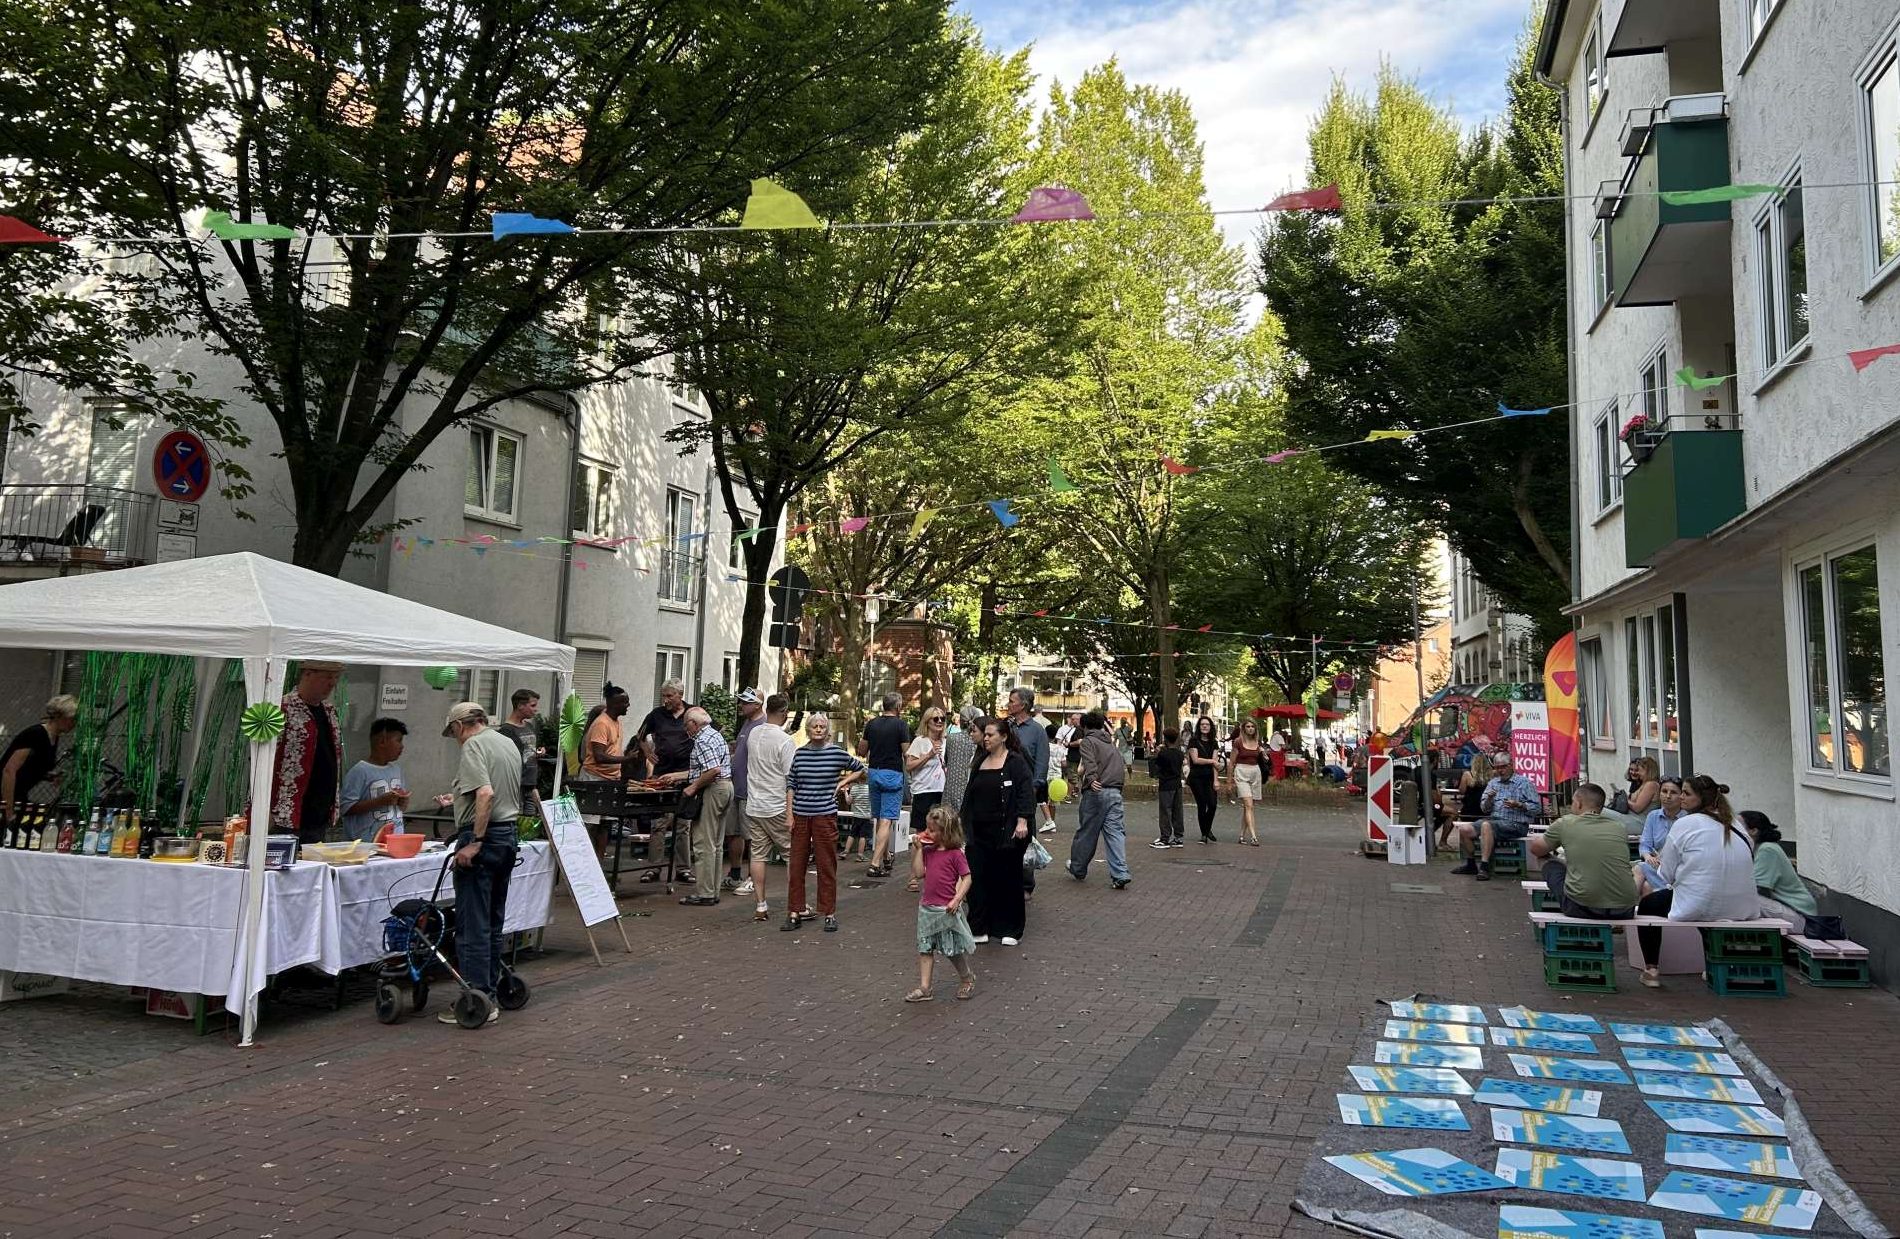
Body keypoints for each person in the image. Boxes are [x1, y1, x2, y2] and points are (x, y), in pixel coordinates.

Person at [438, 701, 522, 1026]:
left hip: (486, 840)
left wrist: (475, 840)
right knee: (492, 919)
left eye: (453, 734)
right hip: (507, 836)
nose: (456, 740)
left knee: (473, 920)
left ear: (460, 727)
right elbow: (497, 791)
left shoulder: (473, 745)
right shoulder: (506, 742)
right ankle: (491, 991)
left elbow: (485, 794)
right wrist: (457, 799)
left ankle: (477, 995)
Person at [1635, 775, 1759, 989]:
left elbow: (1666, 874)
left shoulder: (1685, 824)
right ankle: (1714, 962)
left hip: (1701, 901)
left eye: (1686, 793)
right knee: (1705, 904)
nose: (1681, 797)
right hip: (1743, 905)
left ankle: (1652, 969)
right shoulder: (1736, 825)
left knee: (1649, 905)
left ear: (1701, 799)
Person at [784, 715, 863, 932]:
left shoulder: (836, 753)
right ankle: (794, 911)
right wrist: (789, 814)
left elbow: (859, 768)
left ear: (826, 730)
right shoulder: (799, 754)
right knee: (797, 864)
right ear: (808, 730)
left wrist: (843, 783)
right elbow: (791, 784)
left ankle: (829, 912)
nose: (818, 729)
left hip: (825, 815)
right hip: (801, 815)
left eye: (822, 726)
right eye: (814, 726)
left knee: (826, 864)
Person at [964, 717, 1035, 946]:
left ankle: (1010, 928)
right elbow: (970, 796)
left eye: (991, 735)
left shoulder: (1015, 762)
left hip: (1006, 830)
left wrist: (1022, 821)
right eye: (984, 735)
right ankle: (979, 926)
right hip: (979, 830)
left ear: (1003, 737)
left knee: (1007, 877)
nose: (986, 738)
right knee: (978, 877)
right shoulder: (980, 762)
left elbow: (1025, 792)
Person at [1528, 783, 1636, 919]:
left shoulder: (1566, 823)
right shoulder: (1619, 827)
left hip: (1583, 907)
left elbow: (1536, 850)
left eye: (1572, 802)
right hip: (1625, 909)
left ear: (1578, 804)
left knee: (1545, 860)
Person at [906, 804, 976, 1003]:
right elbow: (919, 873)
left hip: (946, 909)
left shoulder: (955, 855)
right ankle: (925, 987)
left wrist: (957, 899)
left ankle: (966, 978)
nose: (927, 833)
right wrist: (919, 850)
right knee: (925, 948)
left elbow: (967, 878)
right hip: (927, 907)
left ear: (946, 832)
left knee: (952, 949)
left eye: (932, 830)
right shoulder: (929, 851)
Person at [667, 707, 733, 907]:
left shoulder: (702, 740)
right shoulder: (714, 735)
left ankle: (705, 893)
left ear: (694, 724)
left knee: (703, 843)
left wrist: (693, 787)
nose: (685, 727)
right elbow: (705, 768)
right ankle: (713, 891)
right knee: (716, 844)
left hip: (713, 789)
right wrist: (678, 775)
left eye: (686, 723)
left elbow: (712, 770)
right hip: (726, 787)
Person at [742, 695, 797, 923]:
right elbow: (791, 780)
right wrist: (791, 812)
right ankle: (796, 904)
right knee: (791, 855)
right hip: (776, 805)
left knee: (758, 855)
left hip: (755, 804)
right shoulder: (785, 741)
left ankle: (761, 905)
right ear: (784, 712)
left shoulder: (754, 733)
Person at [1067, 712, 1132, 889]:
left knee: (1087, 832)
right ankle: (1120, 872)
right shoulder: (1110, 743)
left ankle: (1078, 867)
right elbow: (1119, 765)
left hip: (1097, 791)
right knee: (1115, 833)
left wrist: (1092, 778)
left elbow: (1089, 762)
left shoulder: (1088, 741)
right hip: (1115, 792)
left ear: (1085, 726)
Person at [1451, 752, 1539, 881]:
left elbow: (1536, 808)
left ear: (1511, 765)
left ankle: (1485, 866)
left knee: (1487, 826)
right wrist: (1489, 800)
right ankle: (1471, 864)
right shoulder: (1493, 783)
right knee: (1465, 830)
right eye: (1497, 768)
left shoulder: (1524, 783)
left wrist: (1519, 805)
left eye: (1503, 767)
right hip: (1495, 819)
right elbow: (1484, 808)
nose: (1500, 771)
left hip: (1516, 823)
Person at [1, 694, 78, 825]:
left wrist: (49, 776)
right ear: (59, 717)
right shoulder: (35, 734)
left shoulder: (54, 737)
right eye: (71, 719)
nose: (73, 723)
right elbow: (9, 770)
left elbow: (31, 766)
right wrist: (8, 809)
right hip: (6, 794)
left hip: (20, 794)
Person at [861, 692, 909, 878]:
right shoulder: (901, 725)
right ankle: (874, 863)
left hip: (874, 772)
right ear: (897, 707)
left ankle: (887, 856)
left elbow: (862, 749)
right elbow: (906, 752)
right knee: (887, 819)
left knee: (880, 819)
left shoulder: (871, 724)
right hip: (892, 773)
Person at [724, 688, 766, 896]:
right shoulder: (747, 723)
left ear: (757, 705)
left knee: (752, 836)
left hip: (750, 789)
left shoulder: (762, 726)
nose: (741, 705)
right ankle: (735, 874)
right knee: (734, 832)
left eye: (745, 702)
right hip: (736, 786)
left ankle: (752, 877)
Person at [341, 717, 410, 842]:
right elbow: (346, 808)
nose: (402, 746)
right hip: (365, 844)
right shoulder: (359, 771)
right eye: (398, 741)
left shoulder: (397, 770)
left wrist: (402, 802)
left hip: (395, 840)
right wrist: (379, 801)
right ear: (382, 742)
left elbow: (401, 808)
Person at [1742, 810, 1817, 923]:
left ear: (1753, 831)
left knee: (1742, 900)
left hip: (1800, 915)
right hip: (1789, 909)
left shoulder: (1767, 849)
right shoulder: (1757, 849)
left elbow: (1757, 887)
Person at [1004, 688, 1052, 839]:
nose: (1008, 704)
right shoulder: (1005, 727)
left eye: (1012, 701)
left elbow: (1042, 762)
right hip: (1004, 788)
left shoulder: (1037, 731)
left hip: (1026, 789)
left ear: (1023, 705)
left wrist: (1034, 788)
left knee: (1025, 833)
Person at [495, 688, 544, 825]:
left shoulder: (528, 725)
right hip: (517, 783)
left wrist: (538, 752)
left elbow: (529, 749)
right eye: (532, 705)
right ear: (520, 705)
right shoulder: (506, 730)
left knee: (529, 821)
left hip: (531, 780)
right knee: (518, 819)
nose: (536, 709)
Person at [1635, 776, 1684, 895]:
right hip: (1656, 866)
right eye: (1664, 791)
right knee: (1645, 883)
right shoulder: (1653, 816)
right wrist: (1648, 857)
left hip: (1678, 870)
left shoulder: (1687, 819)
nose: (1667, 796)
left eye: (1673, 792)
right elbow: (1645, 845)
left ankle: (1627, 907)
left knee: (1640, 871)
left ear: (1681, 796)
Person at [905, 706, 949, 834]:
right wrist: (929, 755)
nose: (940, 721)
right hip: (923, 790)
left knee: (940, 830)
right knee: (923, 831)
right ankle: (920, 854)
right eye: (936, 719)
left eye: (942, 718)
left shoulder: (946, 741)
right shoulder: (920, 741)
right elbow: (909, 766)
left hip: (941, 790)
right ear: (927, 722)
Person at [1228, 719, 1264, 846]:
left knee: (1248, 807)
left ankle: (1242, 835)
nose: (1250, 729)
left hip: (1255, 772)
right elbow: (1231, 763)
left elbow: (1261, 757)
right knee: (1249, 805)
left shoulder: (1257, 742)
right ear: (1243, 728)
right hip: (1241, 771)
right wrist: (1229, 781)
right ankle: (1254, 836)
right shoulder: (1238, 742)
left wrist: (1263, 754)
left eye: (1252, 726)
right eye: (1248, 726)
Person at [942, 705, 983, 818]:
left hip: (952, 786)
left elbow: (946, 760)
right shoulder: (979, 740)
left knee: (950, 824)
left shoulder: (951, 738)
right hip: (971, 787)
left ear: (961, 721)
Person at [1445, 754, 1492, 851]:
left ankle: (1469, 850)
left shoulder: (1467, 775)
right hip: (1486, 813)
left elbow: (1461, 791)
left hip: (1469, 812)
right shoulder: (1491, 776)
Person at [1150, 726, 1186, 849]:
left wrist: (1157, 752)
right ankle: (1178, 837)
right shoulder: (1180, 754)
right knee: (1177, 810)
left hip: (1165, 785)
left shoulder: (1163, 754)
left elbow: (1155, 768)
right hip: (1177, 784)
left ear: (1165, 739)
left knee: (1165, 811)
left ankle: (1165, 837)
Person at [1187, 714, 1220, 843]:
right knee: (1202, 805)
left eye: (1207, 724)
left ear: (1211, 727)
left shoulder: (1214, 742)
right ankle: (1204, 834)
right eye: (1202, 724)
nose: (1205, 726)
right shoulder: (1193, 741)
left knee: (1212, 804)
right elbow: (1195, 760)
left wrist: (1216, 780)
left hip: (1210, 777)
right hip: (1196, 777)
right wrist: (1211, 761)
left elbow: (1216, 763)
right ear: (1199, 727)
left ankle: (1207, 829)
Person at [1612, 756, 1662, 835]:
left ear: (1648, 771)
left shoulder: (1651, 785)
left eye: (1640, 771)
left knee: (1601, 812)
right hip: (1631, 818)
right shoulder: (1644, 784)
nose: (1638, 773)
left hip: (1639, 822)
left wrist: (1623, 799)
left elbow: (1637, 808)